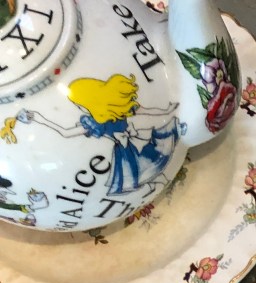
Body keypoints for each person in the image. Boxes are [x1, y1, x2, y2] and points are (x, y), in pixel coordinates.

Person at [20, 74, 182, 197]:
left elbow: (66, 132)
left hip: (125, 149)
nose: (80, 108)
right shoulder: (116, 111)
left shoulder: (98, 122)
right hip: (129, 145)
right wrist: (166, 111)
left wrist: (40, 119)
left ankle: (158, 184)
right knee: (144, 168)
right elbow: (148, 111)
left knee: (138, 172)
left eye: (80, 105)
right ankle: (159, 184)